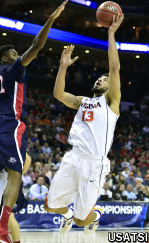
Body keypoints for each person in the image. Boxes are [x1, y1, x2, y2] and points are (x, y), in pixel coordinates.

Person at [44, 13, 124, 234]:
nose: (100, 79)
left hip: (94, 164)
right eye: (99, 78)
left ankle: (94, 214)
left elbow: (114, 66)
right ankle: (67, 215)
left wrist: (110, 34)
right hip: (73, 157)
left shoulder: (111, 102)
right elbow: (59, 94)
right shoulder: (83, 102)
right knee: (49, 205)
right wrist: (63, 66)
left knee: (82, 222)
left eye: (105, 79)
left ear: (112, 86)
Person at [0, 0, 68, 242]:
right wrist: (51, 19)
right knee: (17, 174)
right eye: (14, 54)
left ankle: (6, 226)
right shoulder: (12, 70)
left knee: (22, 164)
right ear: (6, 60)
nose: (18, 56)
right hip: (9, 123)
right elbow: (36, 46)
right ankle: (2, 225)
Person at [0, 154, 31, 243]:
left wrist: (15, 178)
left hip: (10, 183)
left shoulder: (9, 141)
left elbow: (27, 159)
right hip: (3, 180)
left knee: (9, 215)